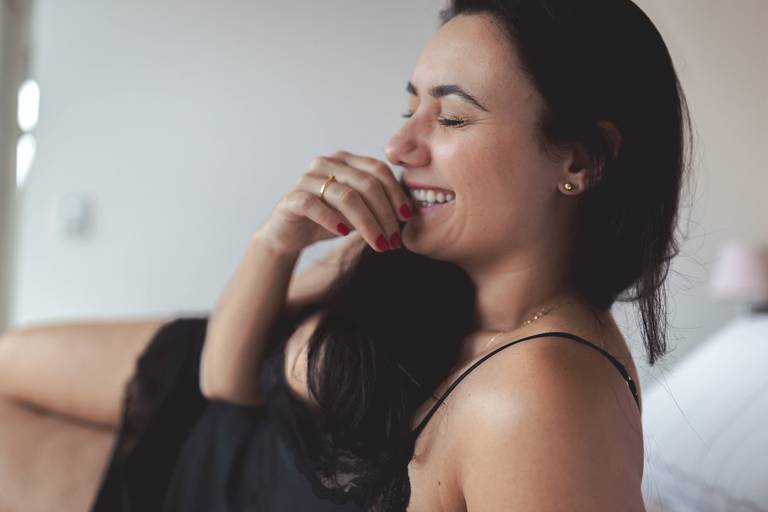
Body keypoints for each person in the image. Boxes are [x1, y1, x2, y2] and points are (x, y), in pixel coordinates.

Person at [0, 0, 692, 511]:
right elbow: (223, 379)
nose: (399, 147)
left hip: (195, 487)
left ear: (581, 158)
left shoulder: (541, 396)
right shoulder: (406, 247)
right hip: (212, 409)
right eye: (409, 107)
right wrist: (275, 241)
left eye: (450, 117)